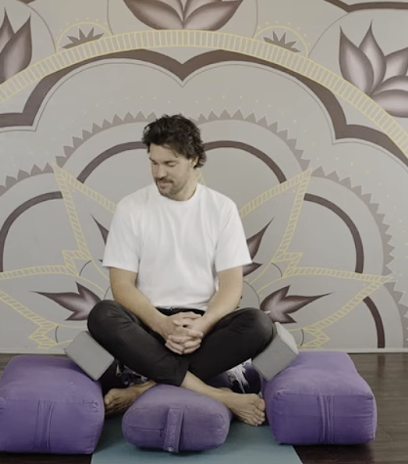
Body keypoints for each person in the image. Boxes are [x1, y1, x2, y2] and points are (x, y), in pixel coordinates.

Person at [87, 114, 274, 425]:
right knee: (102, 314)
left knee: (259, 324)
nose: (159, 173)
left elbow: (231, 287)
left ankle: (142, 389)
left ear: (194, 160)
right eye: (153, 163)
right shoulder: (131, 208)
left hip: (203, 330)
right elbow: (121, 286)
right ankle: (217, 394)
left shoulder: (221, 208)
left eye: (169, 164)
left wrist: (202, 326)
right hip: (148, 327)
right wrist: (162, 325)